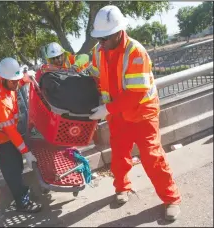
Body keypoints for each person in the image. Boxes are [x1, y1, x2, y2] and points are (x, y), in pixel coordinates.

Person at [88, 5, 181, 221]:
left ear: (119, 32)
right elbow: (93, 77)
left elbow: (135, 93)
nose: (101, 43)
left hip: (142, 112)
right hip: (117, 114)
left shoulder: (135, 52)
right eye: (99, 38)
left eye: (105, 38)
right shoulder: (98, 51)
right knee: (119, 154)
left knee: (152, 157)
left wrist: (106, 109)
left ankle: (171, 198)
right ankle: (122, 187)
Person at [0, 57, 42, 213]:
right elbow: (11, 132)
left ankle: (22, 192)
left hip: (3, 132)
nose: (16, 83)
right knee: (12, 169)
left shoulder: (5, 83)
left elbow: (15, 82)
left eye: (16, 80)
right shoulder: (0, 102)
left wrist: (24, 79)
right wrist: (26, 152)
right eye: (13, 81)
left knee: (17, 164)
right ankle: (22, 203)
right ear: (3, 79)